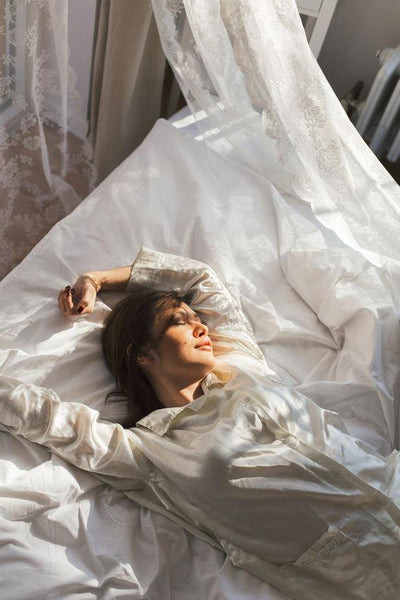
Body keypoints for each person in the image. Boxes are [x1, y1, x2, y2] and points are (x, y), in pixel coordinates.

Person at [1, 246, 399, 599]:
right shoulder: (148, 454)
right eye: (179, 320)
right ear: (143, 353)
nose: (202, 326)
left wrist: (96, 280)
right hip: (361, 571)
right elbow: (40, 415)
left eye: (196, 317)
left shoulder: (242, 369)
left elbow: (199, 278)